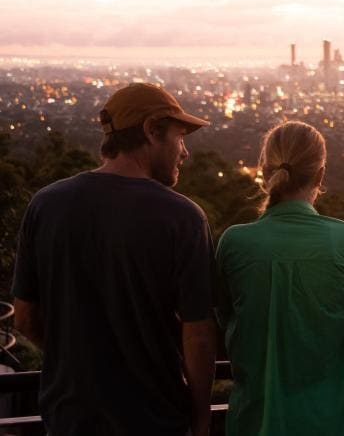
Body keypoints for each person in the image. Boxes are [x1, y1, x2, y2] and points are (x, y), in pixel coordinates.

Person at [12, 83, 218, 436]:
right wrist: (201, 417)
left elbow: (25, 318)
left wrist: (77, 363)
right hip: (155, 418)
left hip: (70, 416)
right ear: (152, 130)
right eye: (179, 137)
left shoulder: (45, 205)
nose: (184, 153)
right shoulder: (182, 218)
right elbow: (198, 334)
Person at [216, 121, 344, 436]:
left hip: (254, 423)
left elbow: (223, 318)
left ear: (264, 171)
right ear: (320, 176)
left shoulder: (235, 243)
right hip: (330, 423)